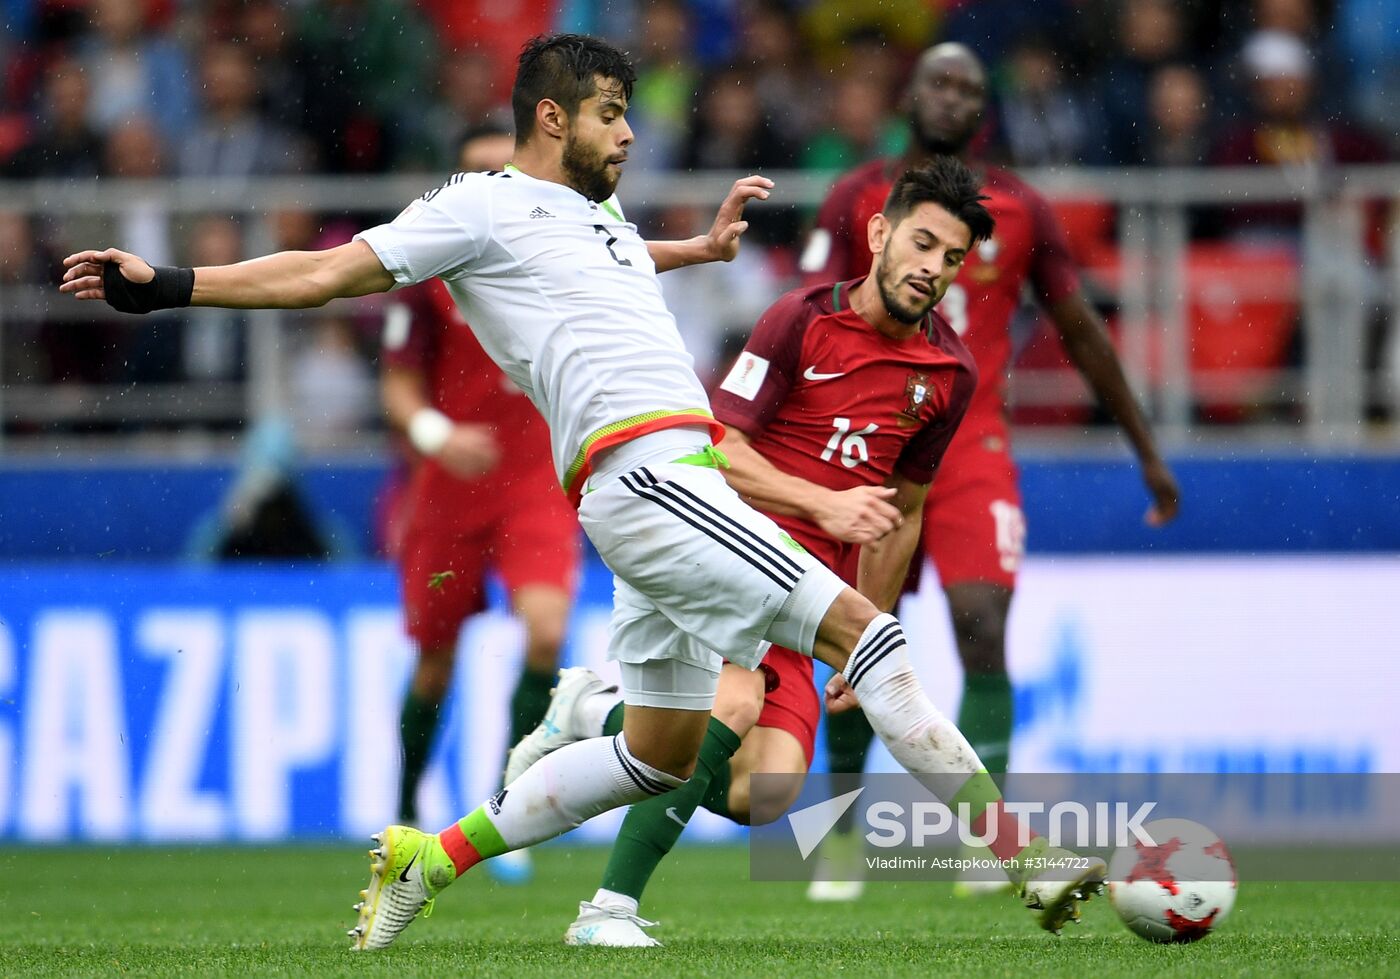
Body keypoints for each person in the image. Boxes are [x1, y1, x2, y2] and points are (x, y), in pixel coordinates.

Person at [61, 34, 1104, 952]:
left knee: (657, 758)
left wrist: (693, 249)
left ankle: (434, 853)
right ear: (552, 117)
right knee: (868, 639)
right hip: (656, 474)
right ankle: (1025, 858)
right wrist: (166, 286)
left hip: (643, 489)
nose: (629, 136)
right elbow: (328, 273)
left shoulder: (590, 217)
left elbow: (601, 262)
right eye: (612, 115)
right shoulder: (476, 207)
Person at [510, 158, 983, 947]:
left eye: (952, 257)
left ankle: (594, 710)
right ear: (879, 234)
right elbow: (720, 447)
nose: (932, 268)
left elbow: (903, 514)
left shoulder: (950, 373)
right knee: (728, 705)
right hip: (733, 552)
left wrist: (866, 640)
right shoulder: (798, 320)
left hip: (820, 594)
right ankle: (607, 911)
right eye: (923, 243)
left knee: (759, 794)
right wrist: (820, 502)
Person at [799, 42, 1180, 900]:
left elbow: (1080, 327)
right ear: (911, 96)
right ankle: (840, 837)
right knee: (857, 634)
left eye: (969, 86)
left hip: (971, 443)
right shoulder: (855, 197)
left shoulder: (1023, 207)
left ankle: (984, 838)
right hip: (873, 443)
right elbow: (810, 314)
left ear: (984, 110)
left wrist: (1146, 450)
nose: (952, 96)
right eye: (938, 80)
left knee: (982, 622)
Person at [380, 123, 579, 886]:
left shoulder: (561, 256)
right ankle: (402, 806)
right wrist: (434, 431)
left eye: (501, 170)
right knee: (434, 661)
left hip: (535, 475)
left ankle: (508, 808)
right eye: (473, 172)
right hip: (452, 484)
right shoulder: (428, 266)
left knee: (544, 631)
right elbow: (397, 381)